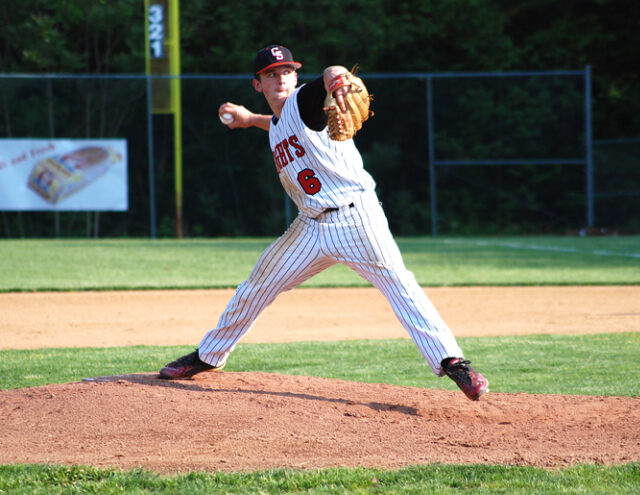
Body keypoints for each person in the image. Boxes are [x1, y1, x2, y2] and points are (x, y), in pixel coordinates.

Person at [159, 44, 489, 401]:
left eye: (286, 71)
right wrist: (247, 118)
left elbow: (330, 73)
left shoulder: (304, 101)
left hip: (356, 218)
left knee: (399, 285)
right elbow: (274, 123)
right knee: (256, 286)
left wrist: (338, 78)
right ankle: (209, 356)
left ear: (296, 76)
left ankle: (453, 361)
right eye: (271, 74)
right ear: (258, 84)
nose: (280, 78)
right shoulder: (278, 122)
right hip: (309, 226)